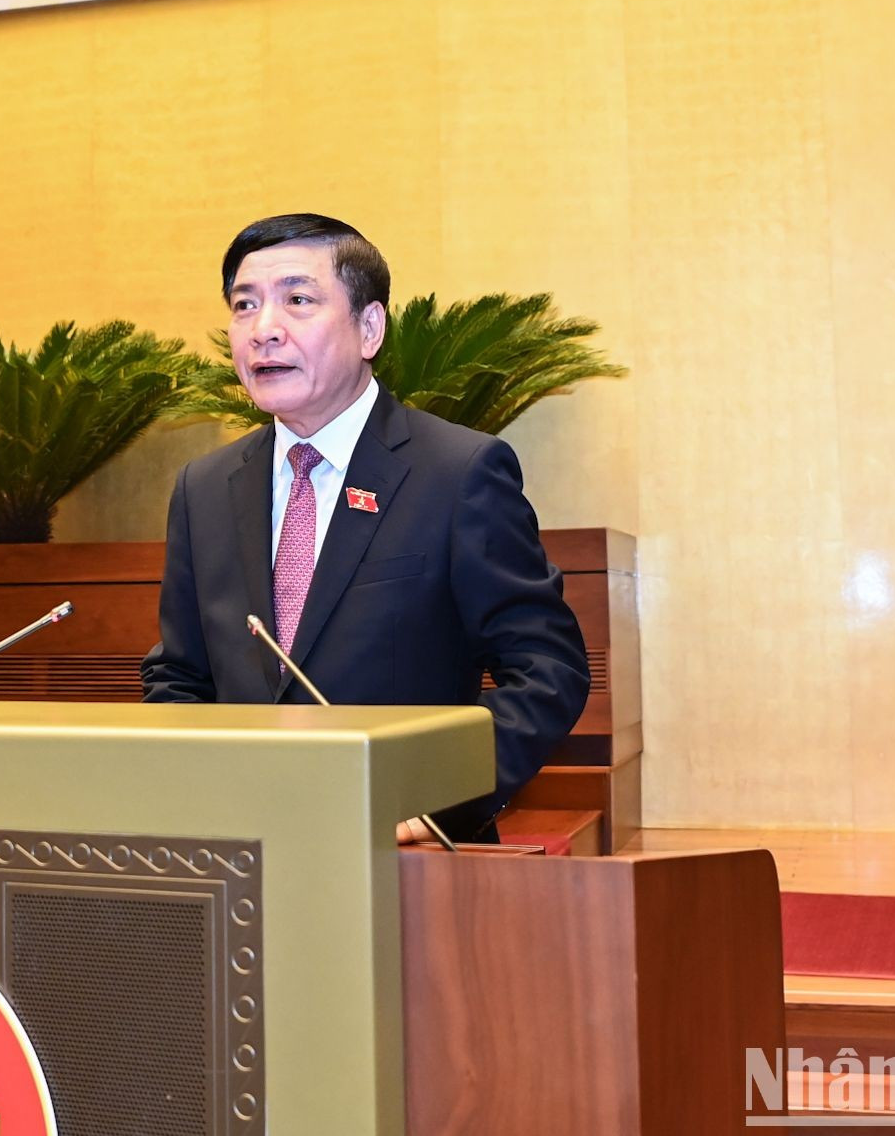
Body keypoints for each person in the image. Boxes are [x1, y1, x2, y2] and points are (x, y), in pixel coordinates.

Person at [140, 214, 589, 842]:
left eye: (298, 300)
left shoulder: (456, 471)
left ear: (369, 327)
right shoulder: (205, 488)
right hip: (243, 845)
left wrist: (435, 802)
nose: (264, 330)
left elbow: (547, 670)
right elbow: (179, 676)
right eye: (245, 306)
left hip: (405, 851)